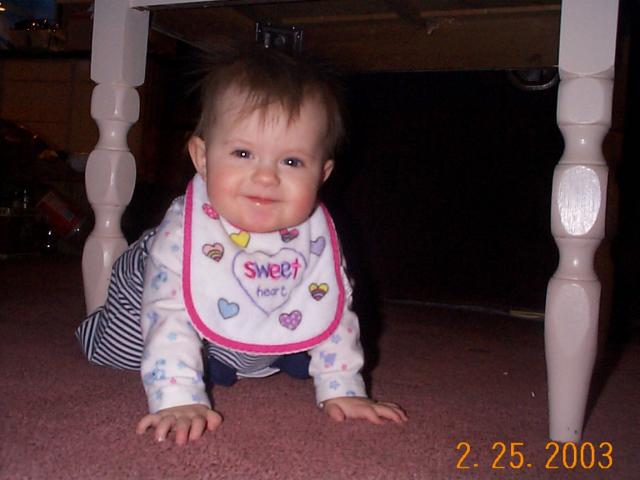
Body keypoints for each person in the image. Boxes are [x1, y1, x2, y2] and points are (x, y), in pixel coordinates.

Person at [76, 46, 408, 445]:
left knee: (284, 324)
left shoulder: (314, 237)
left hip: (251, 295)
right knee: (121, 351)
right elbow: (168, 316)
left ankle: (235, 354)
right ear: (202, 157)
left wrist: (343, 386)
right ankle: (199, 353)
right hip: (147, 294)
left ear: (323, 174)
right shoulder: (181, 236)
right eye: (243, 153)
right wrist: (178, 398)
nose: (266, 177)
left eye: (291, 162)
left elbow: (330, 307)